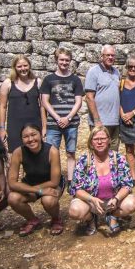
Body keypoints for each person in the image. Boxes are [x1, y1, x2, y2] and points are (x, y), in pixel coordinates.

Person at [68, 126, 135, 235]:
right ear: (91, 142)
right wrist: (92, 199)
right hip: (92, 202)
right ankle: (91, 219)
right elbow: (76, 188)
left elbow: (127, 185)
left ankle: (113, 216)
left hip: (113, 201)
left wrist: (116, 199)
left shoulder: (118, 159)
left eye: (103, 139)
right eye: (96, 139)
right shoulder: (84, 160)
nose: (99, 142)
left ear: (109, 140)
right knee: (74, 211)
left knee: (131, 204)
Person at [6, 124, 65, 236]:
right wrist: (38, 191)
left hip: (50, 183)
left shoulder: (52, 151)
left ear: (41, 135)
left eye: (34, 135)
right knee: (13, 198)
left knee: (48, 200)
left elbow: (54, 181)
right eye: (26, 137)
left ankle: (56, 218)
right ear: (22, 139)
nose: (31, 139)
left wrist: (35, 190)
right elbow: (12, 182)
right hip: (31, 184)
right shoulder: (18, 152)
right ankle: (32, 220)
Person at [40, 47, 83, 182]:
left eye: (67, 60)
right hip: (53, 123)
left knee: (71, 152)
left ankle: (71, 180)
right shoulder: (48, 79)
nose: (64, 62)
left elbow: (79, 102)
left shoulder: (75, 80)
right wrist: (58, 118)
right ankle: (56, 179)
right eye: (62, 60)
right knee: (52, 153)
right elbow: (45, 101)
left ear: (70, 61)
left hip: (71, 123)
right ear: (56, 60)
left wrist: (68, 117)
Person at [0, 55, 45, 154]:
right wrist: (2, 129)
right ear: (15, 67)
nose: (23, 69)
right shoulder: (8, 83)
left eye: (25, 65)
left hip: (35, 124)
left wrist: (44, 127)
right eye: (19, 66)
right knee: (15, 154)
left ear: (29, 66)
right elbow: (2, 107)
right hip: (15, 125)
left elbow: (42, 106)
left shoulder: (38, 82)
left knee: (35, 153)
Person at [85, 44, 121, 151]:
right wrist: (96, 120)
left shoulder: (116, 72)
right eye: (108, 55)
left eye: (113, 55)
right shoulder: (93, 72)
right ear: (101, 56)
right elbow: (89, 97)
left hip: (115, 121)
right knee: (97, 150)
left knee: (113, 151)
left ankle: (112, 168)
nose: (110, 57)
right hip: (100, 122)